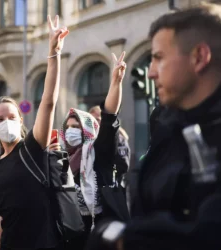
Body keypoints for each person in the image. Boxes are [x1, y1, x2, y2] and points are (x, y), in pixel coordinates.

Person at [89, 3, 221, 250]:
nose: (150, 73)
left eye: (159, 58)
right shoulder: (166, 123)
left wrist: (122, 238)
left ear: (199, 57)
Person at [0, 15, 69, 250]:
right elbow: (4, 216)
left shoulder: (32, 148)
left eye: (12, 117)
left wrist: (53, 54)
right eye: (0, 119)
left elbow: (48, 102)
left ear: (21, 119)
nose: (7, 123)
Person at [59, 52, 129, 250]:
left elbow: (109, 118)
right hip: (69, 231)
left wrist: (115, 82)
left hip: (99, 226)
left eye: (77, 126)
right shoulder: (59, 157)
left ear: (88, 130)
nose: (72, 131)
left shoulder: (97, 150)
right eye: (69, 127)